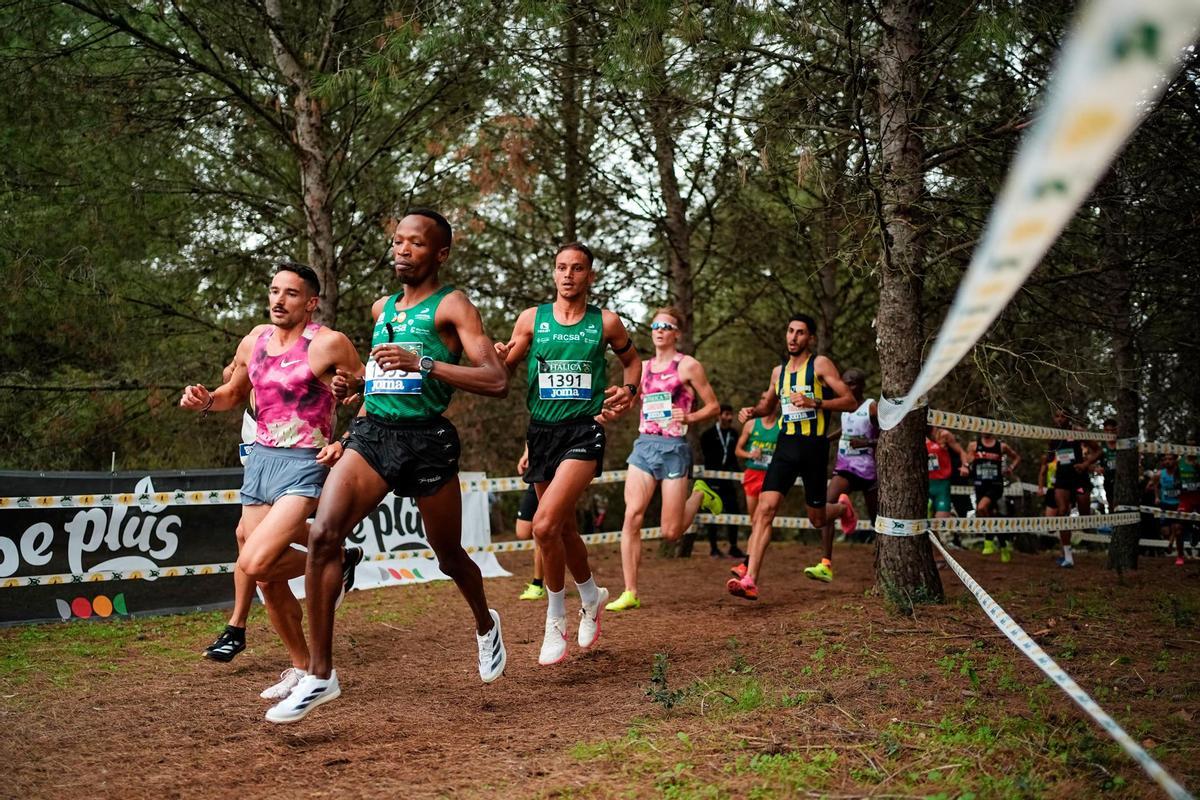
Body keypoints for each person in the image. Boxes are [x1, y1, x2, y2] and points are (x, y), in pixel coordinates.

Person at [265, 210, 510, 723]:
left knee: (448, 556)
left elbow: (495, 378)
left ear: (439, 253)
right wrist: (355, 387)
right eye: (397, 241)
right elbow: (382, 373)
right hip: (374, 435)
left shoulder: (453, 306)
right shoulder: (383, 307)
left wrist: (424, 364)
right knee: (326, 535)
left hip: (427, 441)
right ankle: (320, 675)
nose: (401, 250)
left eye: (415, 244)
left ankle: (486, 625)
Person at [180, 263, 364, 700]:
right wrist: (206, 400)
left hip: (304, 461)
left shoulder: (328, 344)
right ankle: (302, 669)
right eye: (275, 291)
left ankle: (333, 559)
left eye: (292, 293)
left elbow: (370, 395)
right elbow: (232, 395)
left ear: (311, 302)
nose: (280, 300)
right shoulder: (255, 340)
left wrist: (345, 440)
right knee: (265, 579)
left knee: (256, 562)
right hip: (261, 461)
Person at [495, 241, 640, 664]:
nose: (568, 275)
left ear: (589, 275)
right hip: (542, 432)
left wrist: (629, 391)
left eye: (577, 268)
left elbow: (634, 363)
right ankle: (592, 596)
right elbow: (503, 369)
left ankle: (555, 618)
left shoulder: (606, 323)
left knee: (543, 527)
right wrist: (501, 357)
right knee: (563, 530)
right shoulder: (532, 320)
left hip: (584, 431)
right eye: (561, 267)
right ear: (553, 272)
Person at [727, 314, 857, 601]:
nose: (793, 337)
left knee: (817, 518)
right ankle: (750, 579)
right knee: (765, 509)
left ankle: (842, 508)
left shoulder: (820, 365)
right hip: (786, 447)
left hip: (813, 446)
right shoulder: (779, 372)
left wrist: (817, 402)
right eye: (790, 331)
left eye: (800, 333)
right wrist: (753, 412)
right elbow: (768, 405)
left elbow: (850, 401)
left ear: (809, 338)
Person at [607, 307, 722, 612]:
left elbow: (713, 405)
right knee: (632, 515)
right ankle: (630, 591)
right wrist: (612, 407)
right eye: (655, 325)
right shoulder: (640, 368)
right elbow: (630, 403)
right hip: (644, 446)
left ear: (676, 333)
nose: (658, 330)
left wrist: (691, 415)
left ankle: (700, 493)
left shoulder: (688, 366)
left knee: (671, 532)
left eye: (665, 326)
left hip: (674, 448)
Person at [201, 360, 258, 663]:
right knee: (245, 538)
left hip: (295, 462)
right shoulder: (248, 416)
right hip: (260, 473)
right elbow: (228, 377)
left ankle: (334, 554)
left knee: (251, 541)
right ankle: (236, 627)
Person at [804, 368, 878, 583]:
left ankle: (884, 561)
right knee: (825, 505)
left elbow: (888, 435)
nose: (849, 387)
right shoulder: (845, 406)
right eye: (846, 383)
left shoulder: (870, 407)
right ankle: (825, 563)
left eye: (853, 383)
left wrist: (867, 443)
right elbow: (846, 431)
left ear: (862, 385)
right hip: (846, 466)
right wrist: (827, 439)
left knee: (877, 521)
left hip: (869, 470)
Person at [1038, 407, 1099, 568]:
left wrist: (1086, 464)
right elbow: (1048, 459)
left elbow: (1098, 450)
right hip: (1062, 479)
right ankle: (1068, 555)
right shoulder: (1053, 436)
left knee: (1084, 513)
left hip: (1079, 478)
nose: (1060, 419)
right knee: (1062, 511)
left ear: (1069, 417)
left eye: (1063, 416)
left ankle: (1085, 517)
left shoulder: (1078, 432)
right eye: (1057, 416)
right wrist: (1044, 480)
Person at [699, 404, 745, 559]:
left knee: (734, 511)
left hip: (729, 479)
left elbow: (733, 457)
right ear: (718, 416)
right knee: (711, 513)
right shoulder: (708, 434)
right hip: (712, 479)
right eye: (726, 414)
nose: (729, 417)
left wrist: (739, 476)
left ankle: (733, 546)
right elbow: (705, 455)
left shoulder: (733, 433)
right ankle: (713, 547)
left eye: (731, 414)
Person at [967, 433, 1021, 561]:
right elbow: (967, 460)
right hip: (980, 485)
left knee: (981, 508)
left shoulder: (1001, 446)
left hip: (995, 485)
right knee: (991, 515)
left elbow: (1017, 457)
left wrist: (1011, 468)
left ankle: (988, 539)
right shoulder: (974, 445)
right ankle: (1004, 546)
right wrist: (966, 467)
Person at [514, 446, 545, 600]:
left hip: (554, 472)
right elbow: (532, 431)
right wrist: (526, 453)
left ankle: (538, 584)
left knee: (540, 531)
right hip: (536, 475)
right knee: (522, 531)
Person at [1152, 454, 1185, 566]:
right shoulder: (1159, 474)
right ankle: (1170, 540)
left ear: (1175, 461)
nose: (1167, 462)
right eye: (1165, 459)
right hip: (1165, 504)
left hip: (1179, 504)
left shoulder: (1180, 473)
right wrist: (1157, 497)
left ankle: (1180, 555)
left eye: (1170, 459)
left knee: (1178, 529)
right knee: (1165, 531)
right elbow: (1155, 486)